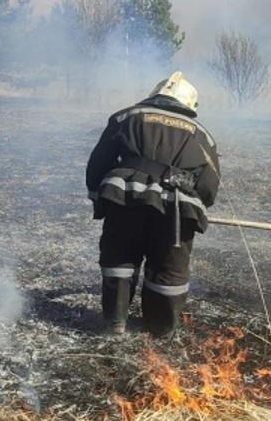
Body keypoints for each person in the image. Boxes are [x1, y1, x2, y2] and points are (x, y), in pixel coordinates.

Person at [85, 72, 220, 336]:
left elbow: (99, 161)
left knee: (120, 256)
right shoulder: (202, 134)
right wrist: (199, 207)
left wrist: (98, 196)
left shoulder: (126, 116)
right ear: (190, 105)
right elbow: (208, 184)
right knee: (169, 266)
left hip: (126, 198)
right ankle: (161, 329)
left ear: (156, 95)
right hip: (176, 208)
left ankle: (116, 322)